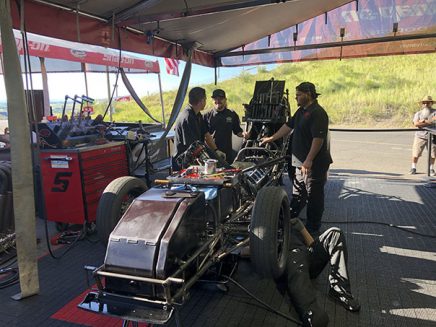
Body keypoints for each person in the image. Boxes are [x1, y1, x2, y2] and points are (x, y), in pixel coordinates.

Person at [262, 82, 332, 236]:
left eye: (299, 94)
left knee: (314, 196)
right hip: (300, 163)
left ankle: (313, 228)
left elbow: (318, 139)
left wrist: (308, 160)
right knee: (298, 193)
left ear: (309, 94)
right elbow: (288, 126)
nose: (296, 97)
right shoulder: (301, 111)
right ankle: (291, 219)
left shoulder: (317, 113)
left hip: (313, 164)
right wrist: (271, 138)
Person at [284, 219, 360, 327]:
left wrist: (301, 229)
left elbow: (311, 244)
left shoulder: (287, 218)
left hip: (306, 256)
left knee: (335, 233)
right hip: (289, 261)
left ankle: (339, 290)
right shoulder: (262, 223)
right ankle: (311, 314)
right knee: (297, 257)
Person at [173, 87, 224, 170]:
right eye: (205, 99)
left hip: (191, 160)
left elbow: (206, 134)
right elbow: (193, 148)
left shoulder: (198, 115)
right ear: (202, 101)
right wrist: (210, 162)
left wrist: (216, 150)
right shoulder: (188, 118)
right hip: (182, 164)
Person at [203, 89, 247, 163]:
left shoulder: (232, 114)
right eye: (215, 99)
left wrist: (244, 134)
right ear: (212, 100)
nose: (218, 101)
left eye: (221, 98)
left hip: (227, 154)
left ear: (225, 100)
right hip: (211, 154)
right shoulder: (206, 115)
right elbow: (204, 136)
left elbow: (238, 131)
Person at [409, 95, 436, 175]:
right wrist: (430, 121)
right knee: (416, 152)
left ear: (431, 103)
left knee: (433, 153)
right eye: (424, 103)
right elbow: (416, 123)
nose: (426, 104)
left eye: (428, 103)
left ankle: (431, 168)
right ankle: (413, 167)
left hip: (433, 135)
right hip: (420, 135)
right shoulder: (418, 113)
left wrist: (424, 121)